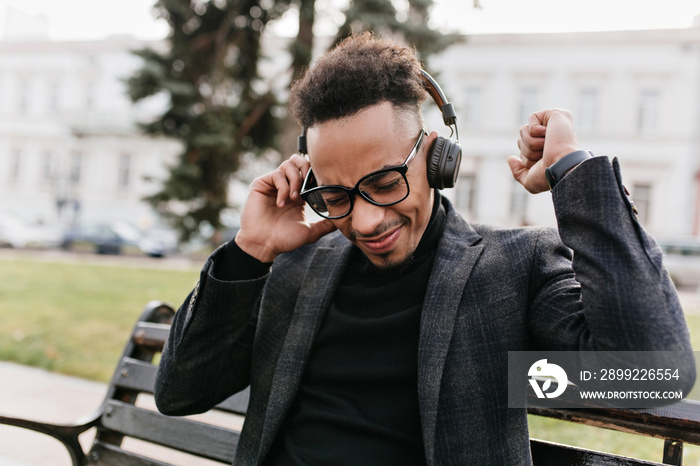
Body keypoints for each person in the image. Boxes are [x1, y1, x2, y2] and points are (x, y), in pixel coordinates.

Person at [154, 32, 693, 465]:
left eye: (386, 183)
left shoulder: (510, 270)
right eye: (337, 195)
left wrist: (574, 173)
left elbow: (649, 375)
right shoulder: (294, 265)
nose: (365, 221)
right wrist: (250, 251)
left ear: (437, 159)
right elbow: (180, 393)